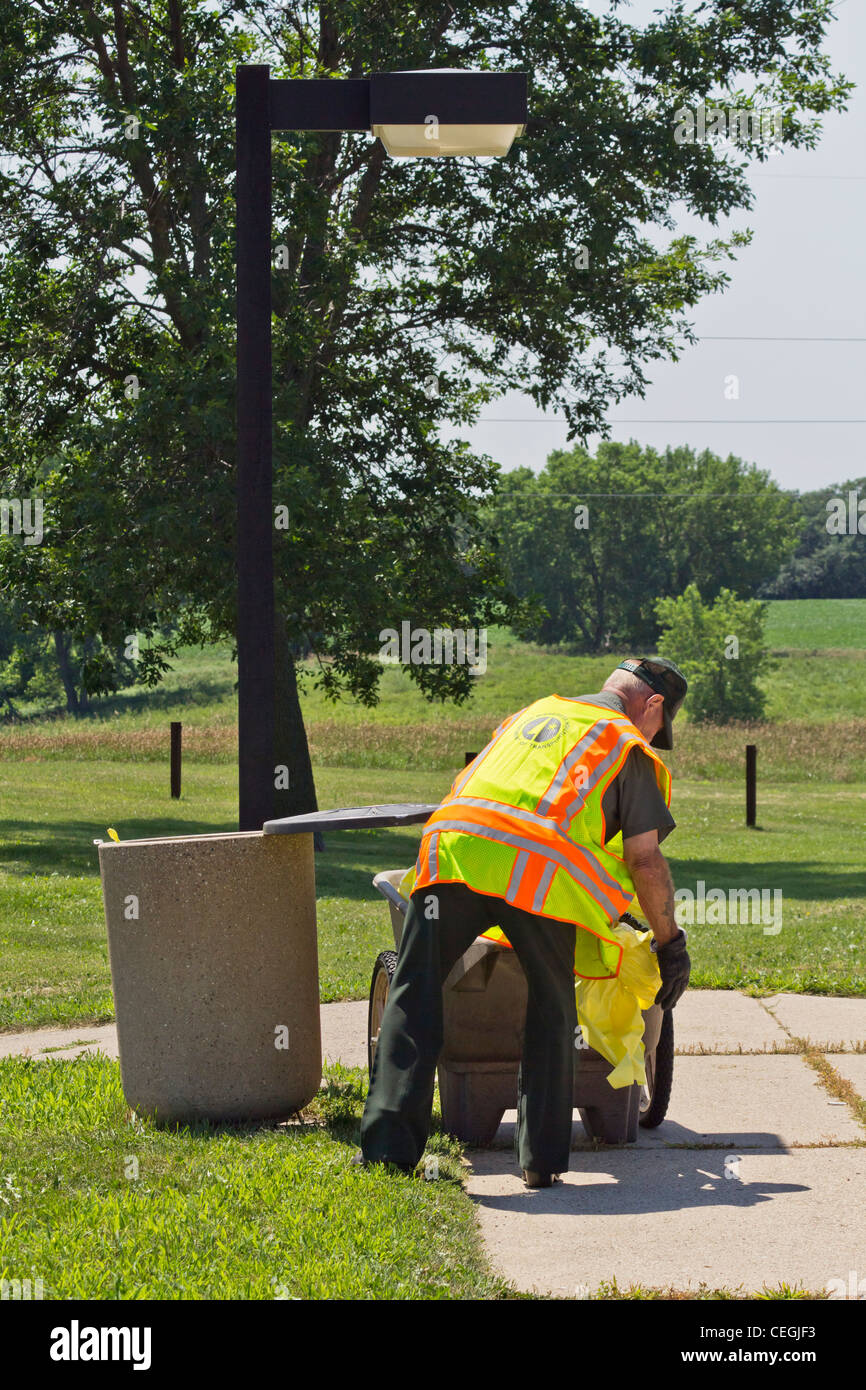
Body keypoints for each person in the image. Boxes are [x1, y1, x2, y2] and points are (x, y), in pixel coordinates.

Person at [356, 657, 690, 1187]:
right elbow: (644, 860)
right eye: (660, 724)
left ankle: (386, 1154)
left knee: (413, 991)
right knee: (552, 1007)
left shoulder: (533, 713)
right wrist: (670, 943)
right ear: (652, 705)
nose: (655, 734)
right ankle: (538, 1162)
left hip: (455, 849)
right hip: (537, 876)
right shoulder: (627, 746)